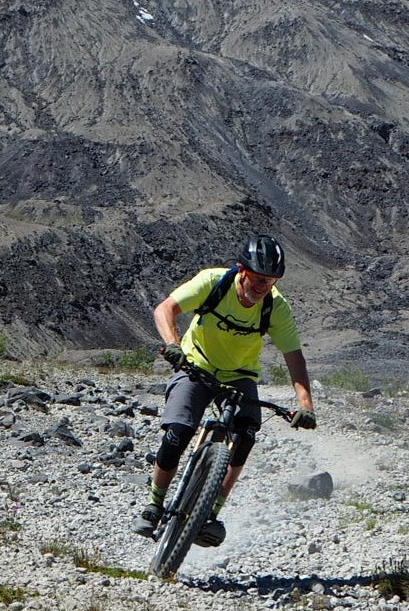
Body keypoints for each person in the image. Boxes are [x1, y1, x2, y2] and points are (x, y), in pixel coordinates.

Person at [133, 234, 318, 546]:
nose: (263, 287)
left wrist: (306, 404)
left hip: (239, 375)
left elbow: (294, 357)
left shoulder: (276, 308)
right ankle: (154, 504)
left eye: (271, 281)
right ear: (241, 270)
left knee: (245, 436)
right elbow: (165, 309)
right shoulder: (213, 282)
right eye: (259, 278)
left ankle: (211, 513)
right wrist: (173, 345)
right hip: (195, 365)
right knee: (177, 433)